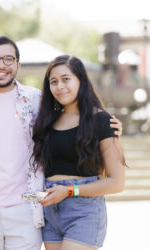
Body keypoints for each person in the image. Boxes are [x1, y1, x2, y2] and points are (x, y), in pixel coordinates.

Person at [0, 36, 123, 250]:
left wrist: (110, 129)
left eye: (8, 59)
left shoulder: (36, 101)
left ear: (17, 64)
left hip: (32, 209)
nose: (1, 65)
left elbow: (114, 176)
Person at [33, 55, 126, 250]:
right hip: (50, 209)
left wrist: (68, 191)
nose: (59, 86)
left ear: (80, 80)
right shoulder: (47, 122)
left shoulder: (101, 120)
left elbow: (117, 182)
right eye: (53, 81)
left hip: (84, 210)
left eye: (66, 79)